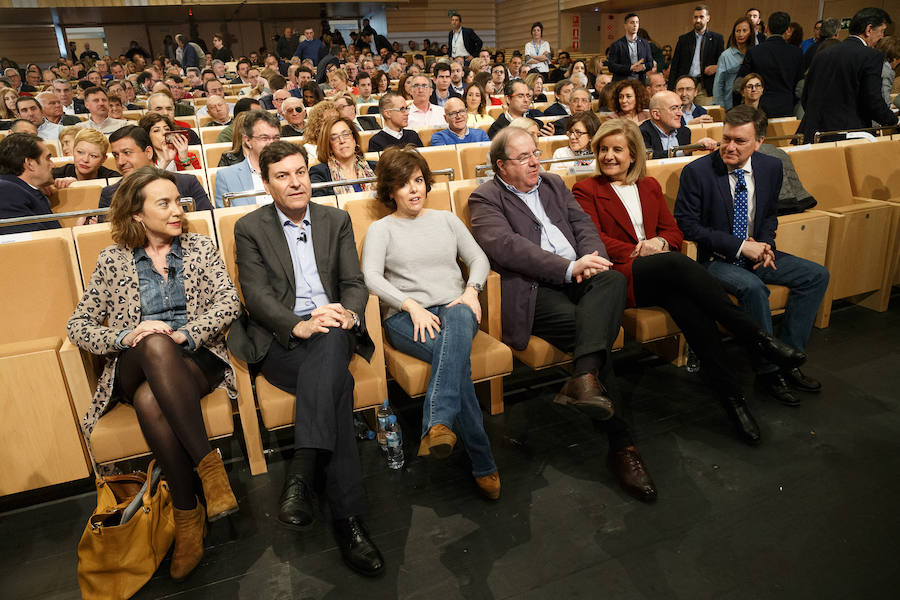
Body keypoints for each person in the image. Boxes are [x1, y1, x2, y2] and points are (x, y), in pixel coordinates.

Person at [574, 118, 807, 444]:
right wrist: (641, 250)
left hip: (664, 273)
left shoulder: (649, 186)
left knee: (697, 318)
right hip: (621, 276)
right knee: (675, 262)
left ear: (633, 154)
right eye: (602, 149)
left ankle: (733, 402)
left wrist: (660, 242)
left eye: (617, 149)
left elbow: (673, 231)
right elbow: (593, 240)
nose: (608, 156)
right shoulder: (586, 189)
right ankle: (755, 335)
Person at [67, 166, 241, 582]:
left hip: (196, 357)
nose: (177, 210)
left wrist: (185, 333)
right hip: (134, 362)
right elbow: (79, 326)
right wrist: (129, 334)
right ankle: (209, 467)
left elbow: (228, 302)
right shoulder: (113, 260)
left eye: (177, 201)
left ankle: (187, 513)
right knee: (151, 341)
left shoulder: (200, 247)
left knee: (150, 397)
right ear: (137, 215)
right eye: (163, 204)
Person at [468, 127, 657, 502]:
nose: (535, 161)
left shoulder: (553, 183)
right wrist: (568, 268)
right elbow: (508, 248)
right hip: (535, 290)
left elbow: (584, 225)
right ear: (502, 166)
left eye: (535, 153)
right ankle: (623, 448)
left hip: (581, 273)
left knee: (614, 282)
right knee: (590, 330)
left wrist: (590, 260)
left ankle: (582, 379)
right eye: (523, 157)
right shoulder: (485, 197)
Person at [227, 141, 385, 577]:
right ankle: (349, 522)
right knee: (340, 386)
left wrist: (348, 313)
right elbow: (255, 296)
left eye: (300, 172)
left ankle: (302, 472)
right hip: (282, 340)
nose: (296, 182)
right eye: (283, 175)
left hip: (332, 329)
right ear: (266, 182)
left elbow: (353, 282)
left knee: (334, 334)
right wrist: (297, 324)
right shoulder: (250, 227)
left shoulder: (335, 219)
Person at [362, 147, 500, 497]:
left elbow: (478, 259)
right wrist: (411, 306)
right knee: (456, 362)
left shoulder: (447, 220)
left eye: (419, 181)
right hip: (407, 319)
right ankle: (482, 462)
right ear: (390, 191)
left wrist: (471, 292)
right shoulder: (382, 229)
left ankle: (437, 424)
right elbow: (372, 278)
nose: (414, 190)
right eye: (404, 184)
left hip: (455, 307)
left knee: (454, 325)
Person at [674, 105, 830, 406]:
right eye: (726, 138)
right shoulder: (697, 172)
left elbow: (769, 214)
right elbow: (687, 225)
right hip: (715, 259)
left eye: (740, 141)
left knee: (816, 275)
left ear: (759, 142)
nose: (730, 147)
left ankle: (789, 360)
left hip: (756, 250)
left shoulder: (771, 167)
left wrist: (765, 244)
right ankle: (768, 370)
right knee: (753, 288)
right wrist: (739, 246)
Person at [799, 8, 898, 142]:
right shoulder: (871, 56)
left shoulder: (822, 53)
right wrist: (893, 120)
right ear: (869, 30)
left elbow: (806, 97)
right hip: (850, 135)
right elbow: (872, 100)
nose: (882, 37)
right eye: (882, 31)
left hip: (814, 133)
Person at [100, 126, 212, 211]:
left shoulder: (187, 183)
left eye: (127, 153)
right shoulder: (110, 194)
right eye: (116, 155)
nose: (120, 162)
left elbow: (208, 226)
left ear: (148, 152)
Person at [736, 12, 803, 118]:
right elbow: (800, 88)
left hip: (759, 108)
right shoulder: (797, 53)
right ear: (787, 30)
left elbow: (739, 83)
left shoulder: (754, 51)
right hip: (786, 107)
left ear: (766, 28)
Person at [214, 110, 281, 207]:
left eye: (276, 138)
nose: (271, 143)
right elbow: (227, 218)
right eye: (264, 138)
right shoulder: (227, 177)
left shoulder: (293, 170)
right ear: (248, 141)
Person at [0, 133, 60, 234]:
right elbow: (35, 243)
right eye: (47, 158)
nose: (53, 165)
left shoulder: (22, 189)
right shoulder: (7, 192)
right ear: (30, 164)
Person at [667, 4, 725, 103]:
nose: (698, 20)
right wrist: (671, 89)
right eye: (695, 17)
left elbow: (722, 63)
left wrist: (716, 67)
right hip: (684, 84)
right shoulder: (683, 39)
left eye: (701, 17)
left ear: (708, 18)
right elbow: (675, 65)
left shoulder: (717, 39)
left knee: (704, 114)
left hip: (705, 86)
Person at [309, 115, 377, 196]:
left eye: (346, 134)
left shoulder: (376, 167)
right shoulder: (319, 173)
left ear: (354, 139)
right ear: (329, 145)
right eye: (334, 137)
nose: (342, 140)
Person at [641, 90, 717, 159]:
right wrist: (686, 150)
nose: (680, 113)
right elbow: (649, 157)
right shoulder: (641, 133)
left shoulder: (684, 132)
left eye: (680, 108)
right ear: (656, 114)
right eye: (674, 108)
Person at [51, 128, 120, 184]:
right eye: (80, 152)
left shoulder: (114, 179)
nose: (85, 160)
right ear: (73, 151)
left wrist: (77, 185)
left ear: (104, 159)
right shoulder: (54, 175)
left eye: (93, 156)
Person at [714, 17, 755, 110]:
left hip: (752, 104)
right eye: (737, 31)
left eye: (744, 31)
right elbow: (718, 83)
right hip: (730, 104)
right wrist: (720, 106)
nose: (740, 34)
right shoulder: (726, 55)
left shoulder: (756, 53)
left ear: (751, 33)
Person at [607, 13, 655, 85]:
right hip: (622, 82)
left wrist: (643, 67)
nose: (635, 25)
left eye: (637, 22)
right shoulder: (617, 45)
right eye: (632, 22)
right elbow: (611, 66)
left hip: (640, 81)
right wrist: (630, 68)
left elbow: (650, 63)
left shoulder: (645, 43)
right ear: (625, 26)